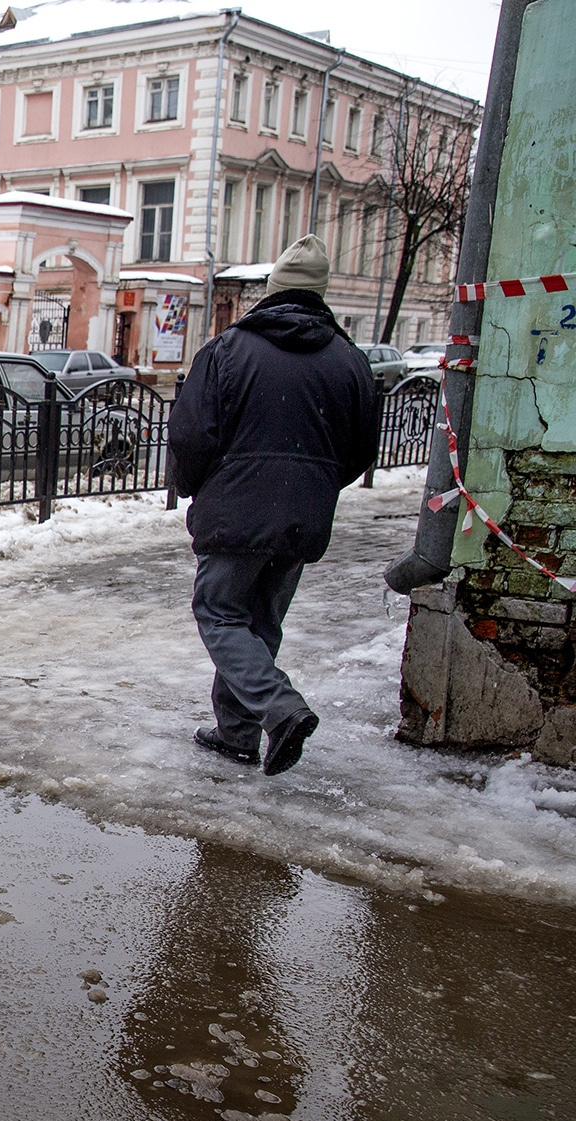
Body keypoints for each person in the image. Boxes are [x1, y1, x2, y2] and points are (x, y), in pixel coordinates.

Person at [167, 234, 379, 776]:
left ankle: (278, 709)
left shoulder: (228, 350)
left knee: (219, 613)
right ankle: (235, 734)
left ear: (271, 291)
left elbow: (192, 436)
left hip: (236, 508)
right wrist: (313, 487)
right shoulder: (350, 361)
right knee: (260, 623)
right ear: (322, 294)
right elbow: (359, 451)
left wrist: (194, 488)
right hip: (302, 516)